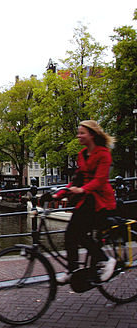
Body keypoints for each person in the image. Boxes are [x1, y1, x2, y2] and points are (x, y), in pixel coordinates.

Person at [53, 120, 117, 284]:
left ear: (92, 135)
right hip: (86, 201)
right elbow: (77, 179)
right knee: (70, 235)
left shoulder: (103, 154)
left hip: (101, 201)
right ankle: (72, 270)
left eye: (82, 133)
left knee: (79, 234)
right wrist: (59, 194)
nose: (78, 135)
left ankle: (107, 260)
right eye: (78, 132)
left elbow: (101, 179)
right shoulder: (82, 154)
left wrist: (82, 189)